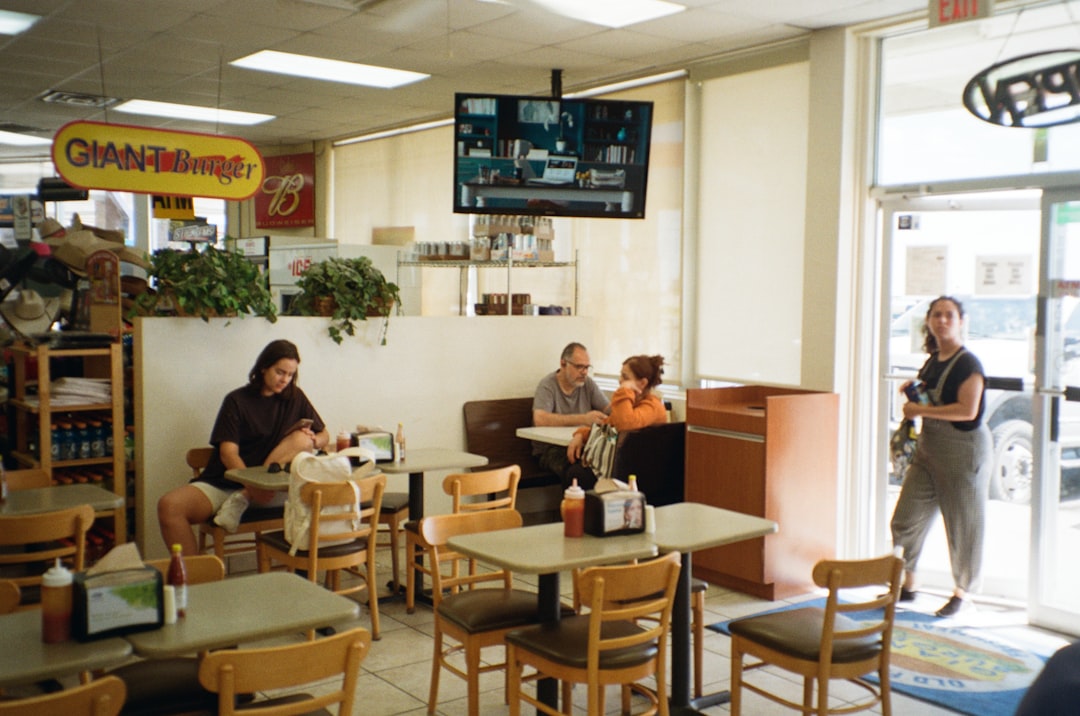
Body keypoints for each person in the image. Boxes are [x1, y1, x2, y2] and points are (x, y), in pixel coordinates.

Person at [157, 339, 329, 556]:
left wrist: (313, 439)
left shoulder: (295, 397)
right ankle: (194, 574)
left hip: (271, 490)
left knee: (302, 440)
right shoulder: (237, 400)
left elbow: (325, 435)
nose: (285, 380)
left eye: (290, 374)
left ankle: (245, 496)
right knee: (169, 506)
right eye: (280, 372)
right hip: (228, 484)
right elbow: (228, 453)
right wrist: (252, 486)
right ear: (264, 367)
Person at [890, 296, 992, 618]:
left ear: (961, 321)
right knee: (905, 519)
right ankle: (909, 583)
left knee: (964, 525)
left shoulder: (968, 364)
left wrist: (919, 409)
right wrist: (915, 391)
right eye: (937, 315)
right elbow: (932, 397)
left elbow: (967, 410)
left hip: (964, 452)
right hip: (929, 450)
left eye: (949, 315)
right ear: (928, 321)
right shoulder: (933, 360)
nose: (943, 321)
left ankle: (963, 593)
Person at [564, 354, 668, 490]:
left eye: (625, 377)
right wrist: (580, 435)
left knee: (576, 474)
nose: (620, 381)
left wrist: (624, 391)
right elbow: (607, 427)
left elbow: (624, 424)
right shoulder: (631, 403)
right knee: (570, 465)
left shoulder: (653, 407)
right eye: (621, 376)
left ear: (642, 383)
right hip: (620, 464)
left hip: (636, 473)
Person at [532, 342, 610, 479]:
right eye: (579, 367)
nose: (584, 372)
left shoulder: (588, 384)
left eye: (587, 367)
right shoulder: (548, 385)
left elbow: (608, 409)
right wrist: (584, 419)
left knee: (606, 461)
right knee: (580, 470)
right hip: (550, 449)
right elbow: (540, 419)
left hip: (581, 443)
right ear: (563, 364)